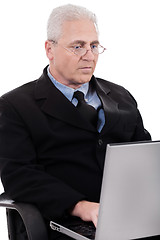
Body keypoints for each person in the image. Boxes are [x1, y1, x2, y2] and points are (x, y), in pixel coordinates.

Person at [0, 4, 151, 240]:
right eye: (77, 46)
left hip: (129, 216)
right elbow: (19, 175)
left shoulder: (121, 96)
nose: (89, 55)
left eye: (93, 46)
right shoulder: (14, 106)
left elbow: (146, 158)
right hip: (63, 222)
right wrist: (81, 206)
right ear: (50, 49)